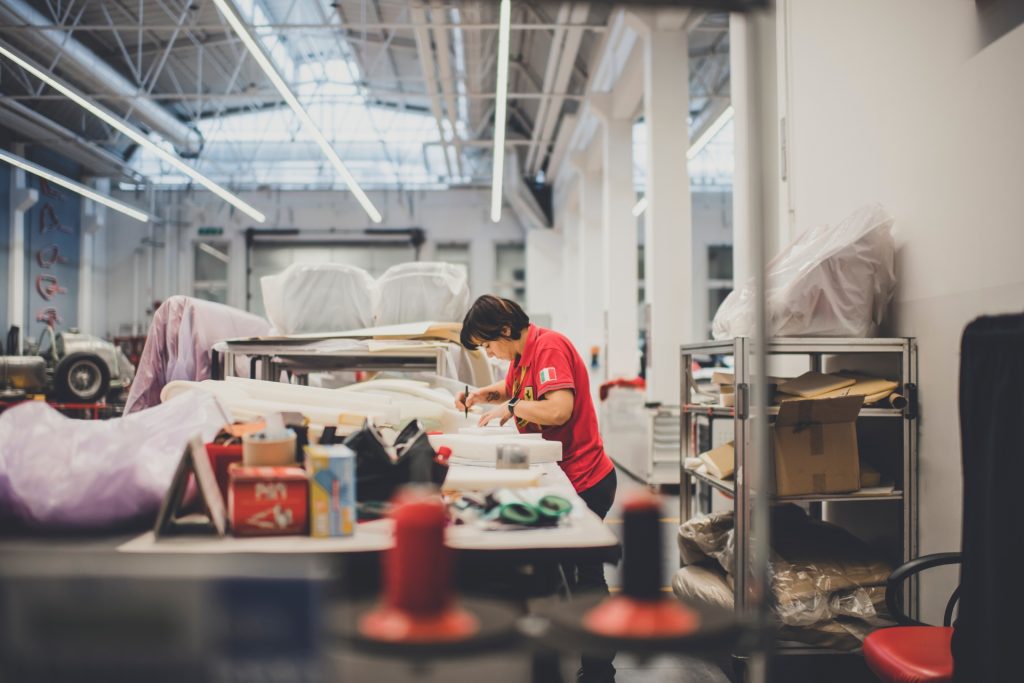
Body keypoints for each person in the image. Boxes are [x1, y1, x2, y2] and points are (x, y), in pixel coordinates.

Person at [455, 294, 617, 683]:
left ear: (506, 330)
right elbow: (514, 388)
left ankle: (599, 671)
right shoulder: (522, 357)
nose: (490, 353)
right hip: (568, 473)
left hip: (586, 479)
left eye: (488, 343)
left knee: (586, 578)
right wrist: (484, 395)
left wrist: (511, 408)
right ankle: (568, 646)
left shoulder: (549, 347)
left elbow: (557, 409)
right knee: (568, 574)